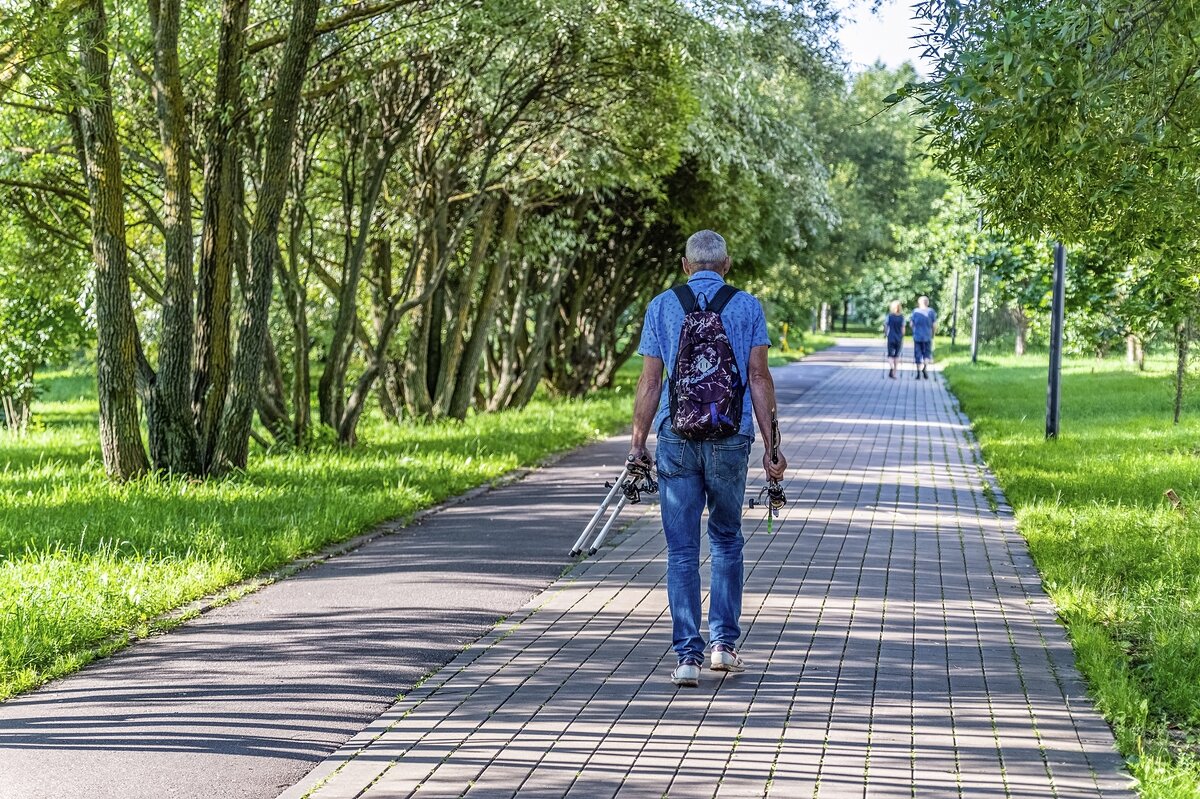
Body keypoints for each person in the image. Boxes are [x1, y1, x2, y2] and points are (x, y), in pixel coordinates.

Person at [628, 229, 787, 687]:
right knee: (725, 539)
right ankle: (723, 645)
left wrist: (638, 445)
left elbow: (650, 382)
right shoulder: (746, 306)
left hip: (676, 439)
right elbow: (759, 377)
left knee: (681, 550)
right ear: (726, 264)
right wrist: (772, 445)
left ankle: (686, 657)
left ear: (684, 265)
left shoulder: (661, 306)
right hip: (730, 440)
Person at [909, 295, 937, 379]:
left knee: (918, 354)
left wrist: (914, 330)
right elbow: (934, 325)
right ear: (927, 303)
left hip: (917, 336)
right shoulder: (931, 312)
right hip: (927, 336)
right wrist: (933, 334)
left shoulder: (915, 311)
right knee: (927, 354)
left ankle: (918, 373)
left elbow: (911, 324)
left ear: (919, 303)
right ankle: (925, 368)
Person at [884, 300, 904, 379]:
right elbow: (903, 329)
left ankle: (891, 366)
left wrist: (886, 334)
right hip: (899, 338)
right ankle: (894, 373)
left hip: (891, 337)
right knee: (897, 355)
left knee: (890, 354)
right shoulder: (902, 317)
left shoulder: (889, 316)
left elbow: (886, 326)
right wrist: (902, 336)